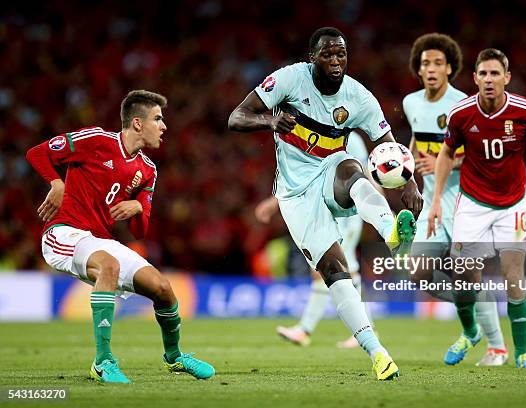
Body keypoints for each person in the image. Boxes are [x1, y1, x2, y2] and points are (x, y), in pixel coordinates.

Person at [228, 27, 423, 380]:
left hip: (330, 173)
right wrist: (270, 120)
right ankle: (377, 353)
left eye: (341, 54)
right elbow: (236, 117)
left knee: (349, 165)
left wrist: (410, 183)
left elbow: (387, 146)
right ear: (312, 57)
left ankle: (392, 232)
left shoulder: (359, 97)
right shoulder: (288, 80)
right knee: (335, 271)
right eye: (328, 54)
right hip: (294, 195)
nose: (335, 60)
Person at [26, 90, 215, 383]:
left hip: (100, 240)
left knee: (163, 288)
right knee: (109, 266)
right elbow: (37, 153)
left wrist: (139, 205)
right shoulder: (97, 140)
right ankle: (102, 362)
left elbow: (140, 230)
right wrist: (56, 182)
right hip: (64, 232)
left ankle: (175, 357)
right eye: (158, 118)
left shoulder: (148, 170)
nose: (164, 126)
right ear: (137, 123)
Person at [428, 49, 526, 368]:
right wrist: (436, 200)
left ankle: (522, 353)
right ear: (474, 79)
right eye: (483, 74)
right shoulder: (461, 114)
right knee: (463, 276)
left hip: (513, 204)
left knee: (513, 276)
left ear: (507, 78)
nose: (489, 80)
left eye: (495, 74)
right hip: (472, 203)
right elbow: (447, 154)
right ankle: (471, 332)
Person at [403, 33, 508, 366]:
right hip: (434, 203)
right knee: (419, 272)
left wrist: (442, 163)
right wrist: (405, 170)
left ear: (450, 68)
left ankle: (497, 348)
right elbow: (416, 139)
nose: (431, 69)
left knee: (469, 275)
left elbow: (482, 154)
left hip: (466, 201)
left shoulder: (465, 104)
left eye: (437, 63)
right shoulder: (410, 103)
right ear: (418, 70)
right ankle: (472, 325)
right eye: (425, 64)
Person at [256, 132, 375, 348]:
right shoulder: (318, 135)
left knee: (331, 269)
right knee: (340, 270)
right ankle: (360, 328)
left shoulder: (352, 140)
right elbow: (305, 178)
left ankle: (307, 329)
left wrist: (379, 212)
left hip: (346, 217)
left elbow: (366, 176)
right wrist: (274, 204)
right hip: (323, 213)